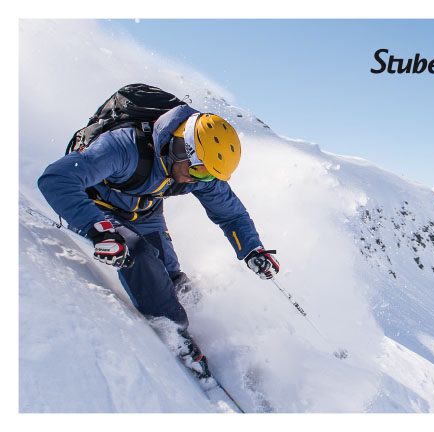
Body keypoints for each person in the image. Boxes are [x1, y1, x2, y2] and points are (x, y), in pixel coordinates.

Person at [38, 104, 279, 381]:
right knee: (136, 254)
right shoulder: (122, 148)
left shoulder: (200, 168)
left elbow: (231, 214)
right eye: (200, 172)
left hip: (145, 211)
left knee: (172, 278)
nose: (201, 180)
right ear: (180, 148)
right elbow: (56, 179)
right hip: (97, 209)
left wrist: (252, 249)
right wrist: (100, 231)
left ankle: (209, 332)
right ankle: (176, 333)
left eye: (210, 175)